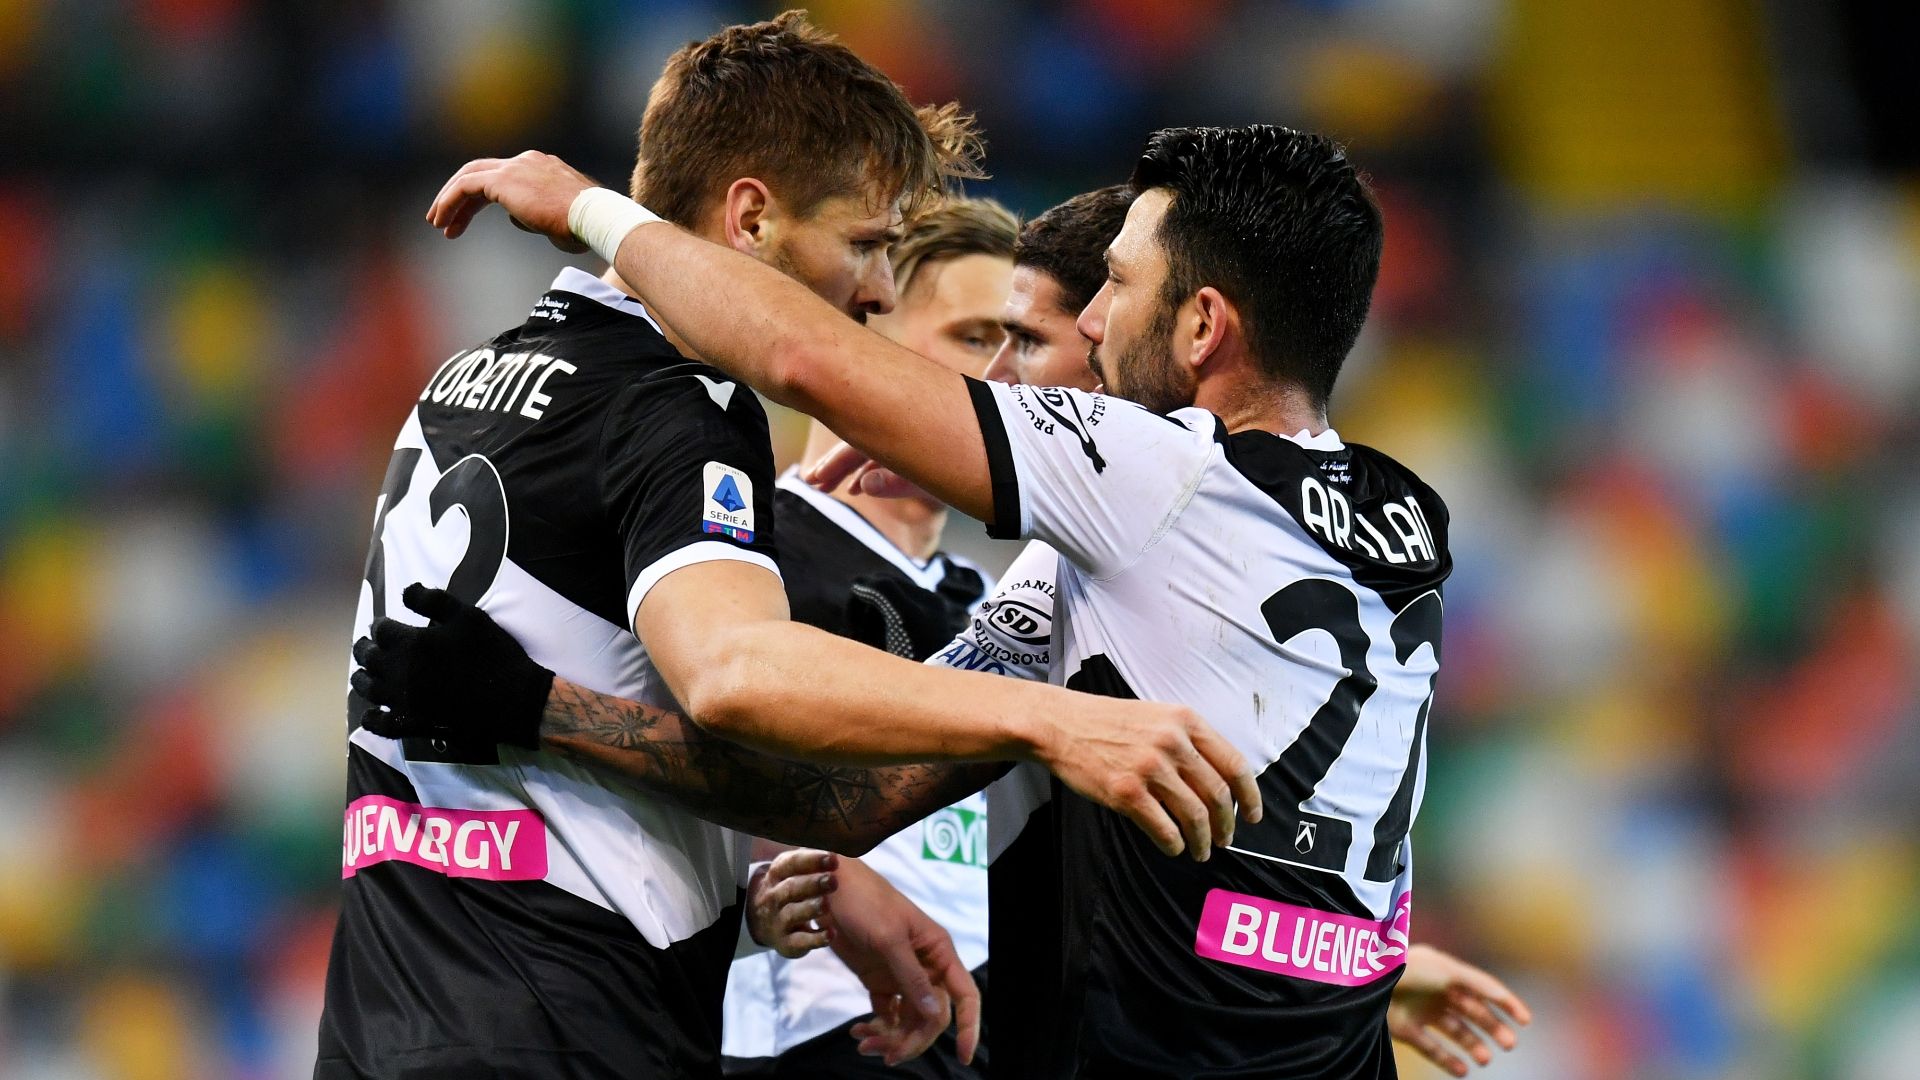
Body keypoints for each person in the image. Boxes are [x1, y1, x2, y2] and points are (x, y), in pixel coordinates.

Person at [321, 14, 1257, 1079]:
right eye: (863, 245)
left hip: (387, 999)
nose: (875, 294)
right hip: (565, 1018)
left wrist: (773, 878)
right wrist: (1056, 719)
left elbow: (552, 695)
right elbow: (734, 673)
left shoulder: (462, 386)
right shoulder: (678, 405)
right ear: (753, 220)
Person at [423, 121, 1458, 1076]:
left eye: (1118, 287)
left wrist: (592, 210)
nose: (1094, 324)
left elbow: (800, 356)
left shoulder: (1166, 477)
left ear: (1202, 329)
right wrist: (544, 712)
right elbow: (858, 802)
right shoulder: (1402, 518)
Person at [722, 198, 1017, 1079]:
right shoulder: (740, 563)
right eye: (975, 338)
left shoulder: (999, 599)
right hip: (826, 1038)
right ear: (863, 335)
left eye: (1021, 347)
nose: (1007, 380)